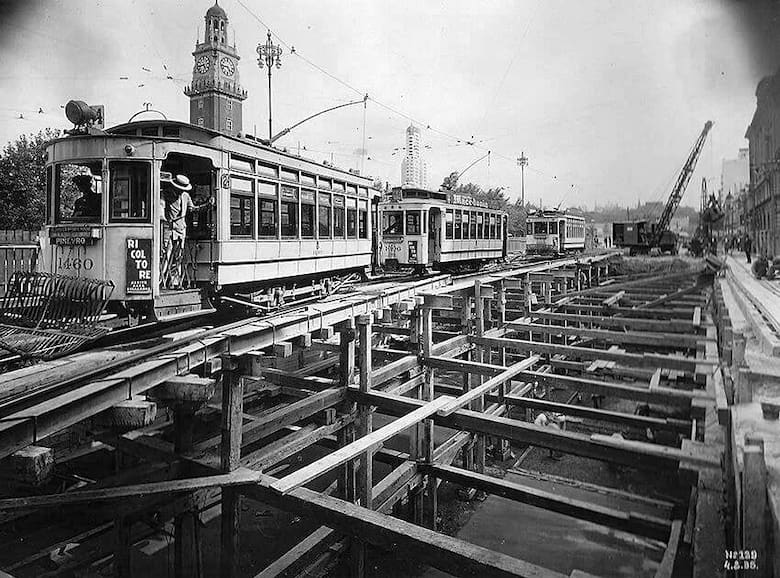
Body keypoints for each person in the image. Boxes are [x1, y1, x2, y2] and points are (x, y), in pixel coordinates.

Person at [160, 174, 212, 289]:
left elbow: (192, 209)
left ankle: (174, 282)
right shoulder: (165, 194)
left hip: (181, 229)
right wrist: (165, 220)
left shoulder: (185, 196)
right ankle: (160, 280)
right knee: (166, 255)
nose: (181, 191)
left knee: (178, 256)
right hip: (169, 229)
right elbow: (160, 209)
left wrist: (206, 205)